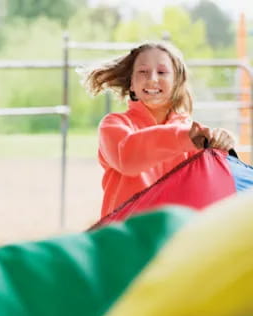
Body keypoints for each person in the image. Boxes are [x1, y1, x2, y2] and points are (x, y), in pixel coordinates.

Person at [82, 42, 236, 217]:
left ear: (176, 82)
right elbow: (127, 157)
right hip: (126, 237)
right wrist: (184, 137)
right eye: (142, 72)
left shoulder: (191, 135)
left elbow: (211, 185)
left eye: (162, 72)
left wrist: (221, 144)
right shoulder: (114, 124)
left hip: (173, 237)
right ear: (131, 84)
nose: (152, 79)